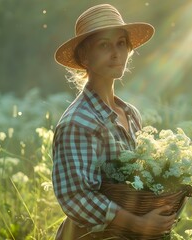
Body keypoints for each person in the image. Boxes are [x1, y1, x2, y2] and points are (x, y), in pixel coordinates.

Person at [52, 4, 176, 239]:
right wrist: (139, 224)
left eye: (121, 43)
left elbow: (140, 179)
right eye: (104, 45)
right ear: (85, 57)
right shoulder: (78, 122)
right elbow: (76, 198)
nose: (116, 53)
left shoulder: (130, 113)